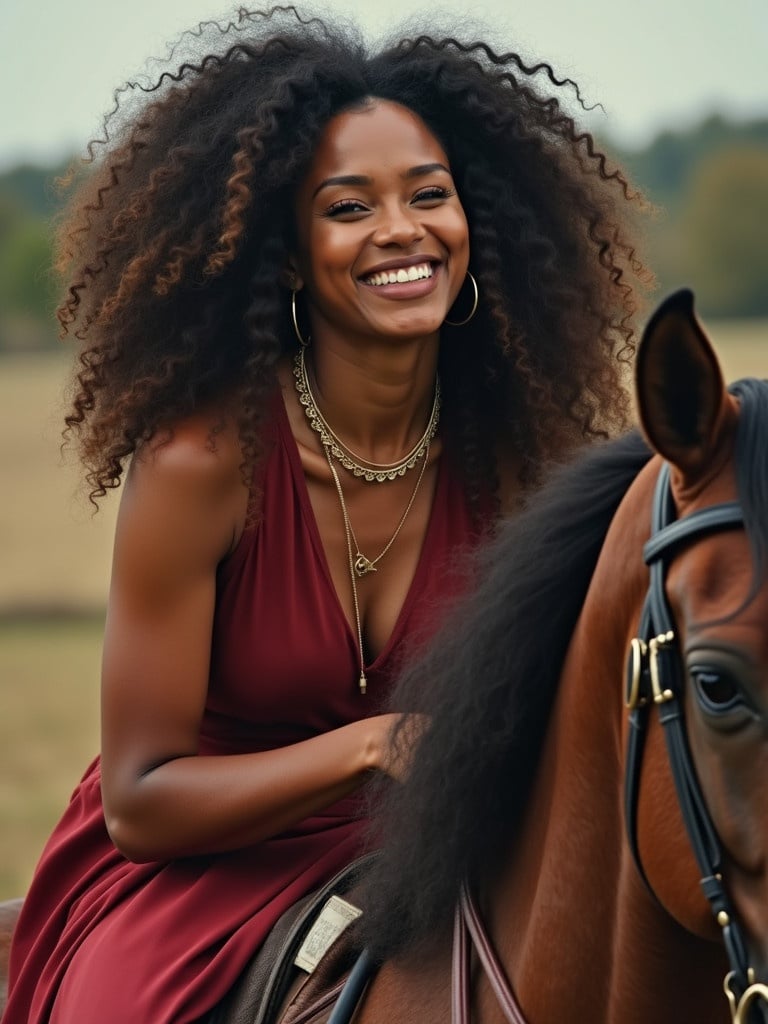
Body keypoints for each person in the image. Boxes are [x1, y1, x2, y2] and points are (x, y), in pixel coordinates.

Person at [4, 6, 649, 1023]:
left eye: (430, 196)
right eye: (349, 207)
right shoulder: (201, 464)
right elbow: (140, 799)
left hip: (435, 847)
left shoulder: (521, 459)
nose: (402, 230)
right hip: (195, 877)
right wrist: (370, 747)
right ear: (288, 254)